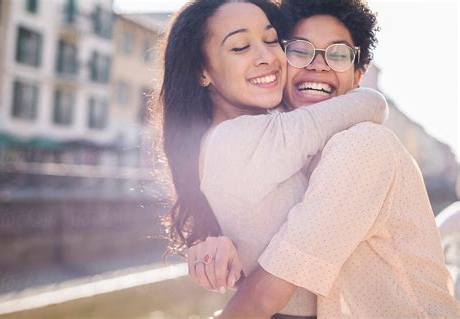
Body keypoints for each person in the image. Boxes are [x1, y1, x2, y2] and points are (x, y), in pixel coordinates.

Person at [188, 0, 460, 318]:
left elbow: (266, 296)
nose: (319, 65)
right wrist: (216, 244)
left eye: (339, 54)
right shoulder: (282, 153)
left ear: (359, 75)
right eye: (301, 51)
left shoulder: (362, 147)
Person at [156, 0, 387, 318]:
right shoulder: (240, 139)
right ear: (202, 71)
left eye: (271, 40)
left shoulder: (229, 139)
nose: (266, 57)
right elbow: (371, 104)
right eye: (239, 47)